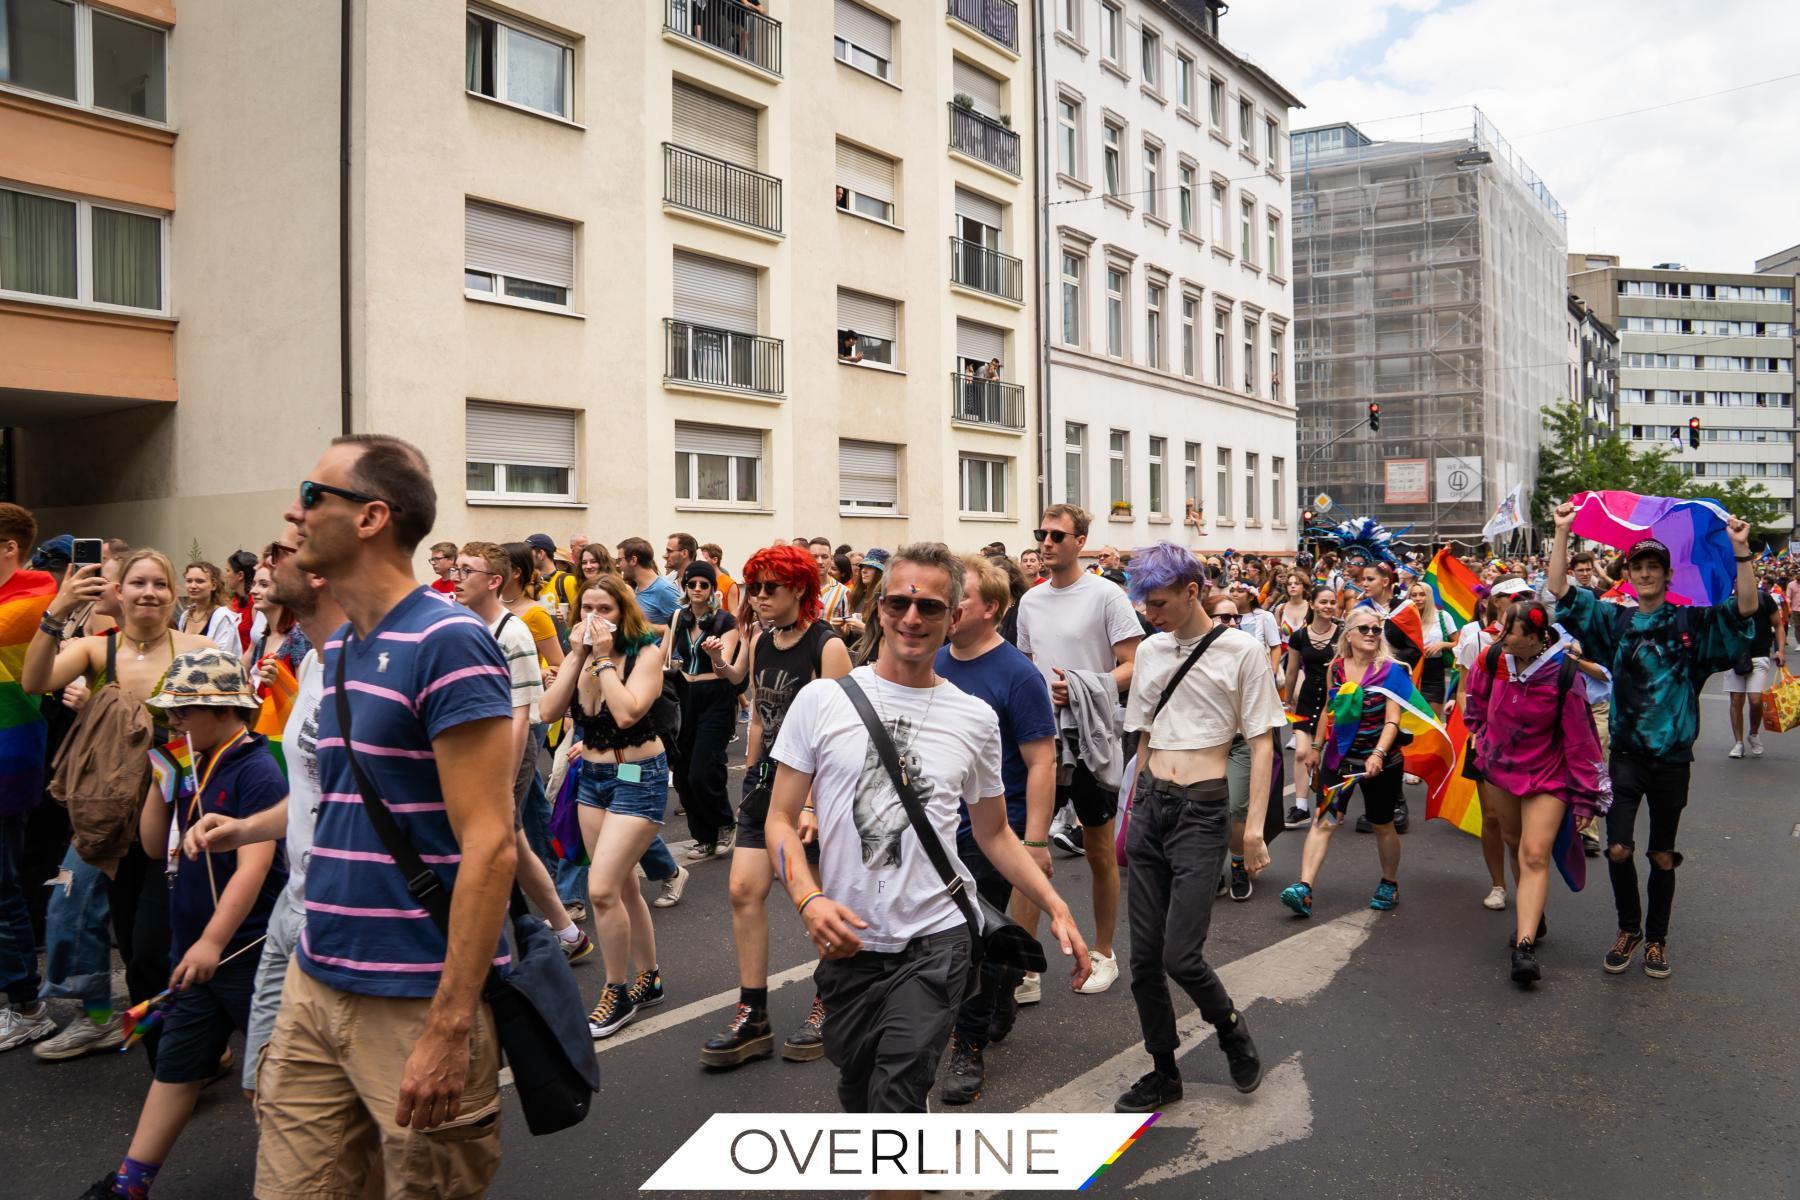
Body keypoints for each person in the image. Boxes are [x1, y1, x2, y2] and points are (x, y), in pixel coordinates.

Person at [763, 542, 1089, 1158]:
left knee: (895, 1099)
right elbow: (779, 819)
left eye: (930, 607)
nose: (913, 618)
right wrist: (808, 899)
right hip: (852, 945)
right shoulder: (824, 700)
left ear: (953, 616)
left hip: (937, 940)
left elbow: (993, 833)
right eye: (900, 602)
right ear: (878, 608)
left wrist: (1055, 904)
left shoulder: (973, 718)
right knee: (858, 1094)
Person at [254, 435, 517, 1196]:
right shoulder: (337, 652)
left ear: (371, 517)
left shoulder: (449, 642)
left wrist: (448, 1028)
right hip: (316, 977)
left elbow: (491, 845)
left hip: (413, 1000)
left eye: (311, 494)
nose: (292, 512)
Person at [77, 649, 287, 1200]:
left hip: (245, 952)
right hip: (194, 952)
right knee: (177, 1069)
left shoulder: (256, 770)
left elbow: (255, 864)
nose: (172, 724)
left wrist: (215, 940)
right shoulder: (190, 765)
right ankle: (130, 1184)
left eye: (182, 713)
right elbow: (151, 847)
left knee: (269, 1080)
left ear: (222, 712)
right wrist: (158, 782)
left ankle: (301, 1181)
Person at [1547, 502, 1756, 980]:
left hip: (1671, 760)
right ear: (1629, 574)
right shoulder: (1616, 623)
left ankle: (1657, 940)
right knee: (1618, 848)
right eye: (1637, 566)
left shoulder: (1691, 625)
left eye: (1652, 567)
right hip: (1625, 757)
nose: (1644, 573)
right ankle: (1629, 929)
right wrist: (1562, 531)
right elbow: (1560, 589)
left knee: (1661, 854)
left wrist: (1741, 550)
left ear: (1666, 576)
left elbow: (1745, 608)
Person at [23, 550, 214, 1061]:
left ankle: (178, 1059)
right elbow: (34, 681)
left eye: (159, 584)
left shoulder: (199, 647)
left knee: (156, 946)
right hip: (115, 820)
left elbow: (231, 725)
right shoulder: (94, 649)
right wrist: (56, 612)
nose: (148, 592)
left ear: (172, 594)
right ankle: (173, 1049)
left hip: (181, 817)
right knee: (132, 947)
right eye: (137, 583)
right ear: (120, 592)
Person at [1114, 543, 1280, 1112]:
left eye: (1158, 602)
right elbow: (1143, 738)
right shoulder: (1153, 652)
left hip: (1202, 810)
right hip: (1150, 806)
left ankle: (1230, 1027)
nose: (1148, 613)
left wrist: (1253, 828)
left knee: (1180, 955)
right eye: (1143, 603)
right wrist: (1130, 808)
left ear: (1192, 592)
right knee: (1142, 959)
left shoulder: (1242, 651)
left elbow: (1262, 743)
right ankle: (1164, 1070)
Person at [180, 523, 344, 1098]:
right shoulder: (320, 665)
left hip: (346, 921)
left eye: (284, 551)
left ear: (322, 571)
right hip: (291, 910)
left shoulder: (384, 665)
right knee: (263, 1087)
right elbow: (309, 795)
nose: (266, 564)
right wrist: (247, 829)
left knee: (347, 1113)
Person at [696, 544, 849, 1068]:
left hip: (816, 788)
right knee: (743, 889)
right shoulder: (762, 638)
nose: (758, 597)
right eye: (754, 587)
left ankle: (831, 1001)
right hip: (766, 782)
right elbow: (760, 713)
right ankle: (753, 1013)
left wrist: (810, 803)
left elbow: (839, 733)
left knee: (818, 899)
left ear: (800, 590)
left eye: (770, 588)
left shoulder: (826, 647)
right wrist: (751, 774)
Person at [933, 554, 1057, 1104]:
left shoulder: (1018, 674)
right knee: (951, 939)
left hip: (992, 830)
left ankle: (968, 1043)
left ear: (992, 608)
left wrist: (1034, 840)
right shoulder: (933, 660)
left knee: (973, 945)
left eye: (961, 596)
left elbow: (1041, 761)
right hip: (934, 826)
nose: (949, 605)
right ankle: (1004, 984)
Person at [536, 573, 671, 1037]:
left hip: (639, 777)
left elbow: (628, 711)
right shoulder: (578, 654)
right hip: (592, 780)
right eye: (587, 609)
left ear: (624, 613)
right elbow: (549, 712)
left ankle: (616, 992)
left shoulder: (644, 653)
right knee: (622, 888)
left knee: (600, 889)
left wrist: (601, 661)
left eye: (605, 610)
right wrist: (576, 655)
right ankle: (648, 979)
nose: (594, 619)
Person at [1015, 504, 1140, 998]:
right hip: (1042, 739)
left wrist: (1087, 687)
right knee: (1029, 848)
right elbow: (1026, 666)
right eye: (1041, 533)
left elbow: (1134, 663)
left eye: (1057, 535)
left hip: (1090, 740)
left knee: (1098, 850)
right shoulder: (1030, 602)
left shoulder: (1107, 595)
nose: (1046, 543)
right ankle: (1024, 969)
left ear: (1080, 542)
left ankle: (1105, 953)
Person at [456, 543, 590, 964]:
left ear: (494, 581)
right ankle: (567, 931)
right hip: (472, 753)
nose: (456, 577)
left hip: (507, 751)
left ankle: (480, 940)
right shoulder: (463, 623)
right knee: (511, 836)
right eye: (455, 568)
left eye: (466, 570)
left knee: (491, 841)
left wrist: (503, 775)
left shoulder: (512, 632)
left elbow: (522, 715)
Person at [1462, 602, 1608, 985]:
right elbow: (1474, 695)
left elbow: (1581, 741)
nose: (1499, 635)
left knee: (1533, 853)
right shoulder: (1492, 657)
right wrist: (1477, 730)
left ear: (1534, 636)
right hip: (1502, 770)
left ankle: (1523, 947)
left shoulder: (1563, 674)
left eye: (1509, 630)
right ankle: (1534, 915)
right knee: (1513, 841)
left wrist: (1585, 797)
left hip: (1548, 775)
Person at [1284, 609, 1407, 917]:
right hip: (1339, 759)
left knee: (1382, 825)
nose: (1371, 634)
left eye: (1377, 630)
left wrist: (1378, 753)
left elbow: (1393, 720)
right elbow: (1329, 708)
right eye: (1364, 628)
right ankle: (1304, 888)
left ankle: (1389, 883)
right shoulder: (1336, 667)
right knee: (1323, 821)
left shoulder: (1392, 670)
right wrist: (1316, 746)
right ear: (1349, 634)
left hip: (1381, 762)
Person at [0, 504, 54, 1051]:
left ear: (9, 547)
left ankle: (25, 1004)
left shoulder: (31, 600)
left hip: (6, 764)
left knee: (3, 891)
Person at [1457, 578, 1532, 907]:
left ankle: (1528, 887)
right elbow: (1463, 689)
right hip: (1487, 739)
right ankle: (1499, 885)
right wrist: (1474, 730)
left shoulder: (1538, 635)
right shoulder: (1474, 636)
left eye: (1526, 595)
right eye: (1510, 595)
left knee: (1524, 822)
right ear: (1495, 601)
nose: (1518, 600)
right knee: (1491, 815)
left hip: (1528, 741)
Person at [668, 561, 740, 860]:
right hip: (685, 695)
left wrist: (715, 654)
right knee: (683, 775)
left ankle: (725, 823)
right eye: (692, 584)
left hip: (716, 696)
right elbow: (664, 654)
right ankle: (703, 837)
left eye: (704, 584)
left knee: (703, 770)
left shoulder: (726, 622)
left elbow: (726, 666)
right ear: (685, 587)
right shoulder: (677, 617)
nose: (697, 589)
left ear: (712, 589)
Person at [1280, 585, 1341, 829]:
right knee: (1303, 752)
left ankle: (1332, 800)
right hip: (1306, 701)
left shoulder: (1344, 633)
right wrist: (1287, 700)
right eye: (1323, 602)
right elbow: (1292, 670)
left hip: (1334, 702)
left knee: (1333, 756)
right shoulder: (1299, 636)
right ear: (1313, 604)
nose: (1328, 606)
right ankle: (1301, 807)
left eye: (1332, 602)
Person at [1723, 587, 1782, 759]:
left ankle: (1754, 733)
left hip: (1759, 656)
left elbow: (1778, 625)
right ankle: (1738, 743)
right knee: (1736, 700)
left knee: (1756, 700)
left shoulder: (1764, 599)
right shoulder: (1728, 603)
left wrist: (1780, 651)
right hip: (1735, 657)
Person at [617, 537, 682, 638]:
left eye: (620, 560)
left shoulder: (663, 589)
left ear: (633, 560)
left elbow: (684, 625)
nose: (618, 565)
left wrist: (642, 627)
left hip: (663, 653)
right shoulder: (634, 588)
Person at [179, 562, 239, 655]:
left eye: (200, 581)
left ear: (213, 585)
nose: (193, 586)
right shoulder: (185, 616)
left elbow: (223, 657)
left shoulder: (223, 617)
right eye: (189, 581)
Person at [526, 532, 579, 629]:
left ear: (541, 554)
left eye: (528, 553)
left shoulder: (567, 580)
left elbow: (579, 617)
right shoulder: (530, 584)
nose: (525, 558)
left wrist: (568, 617)